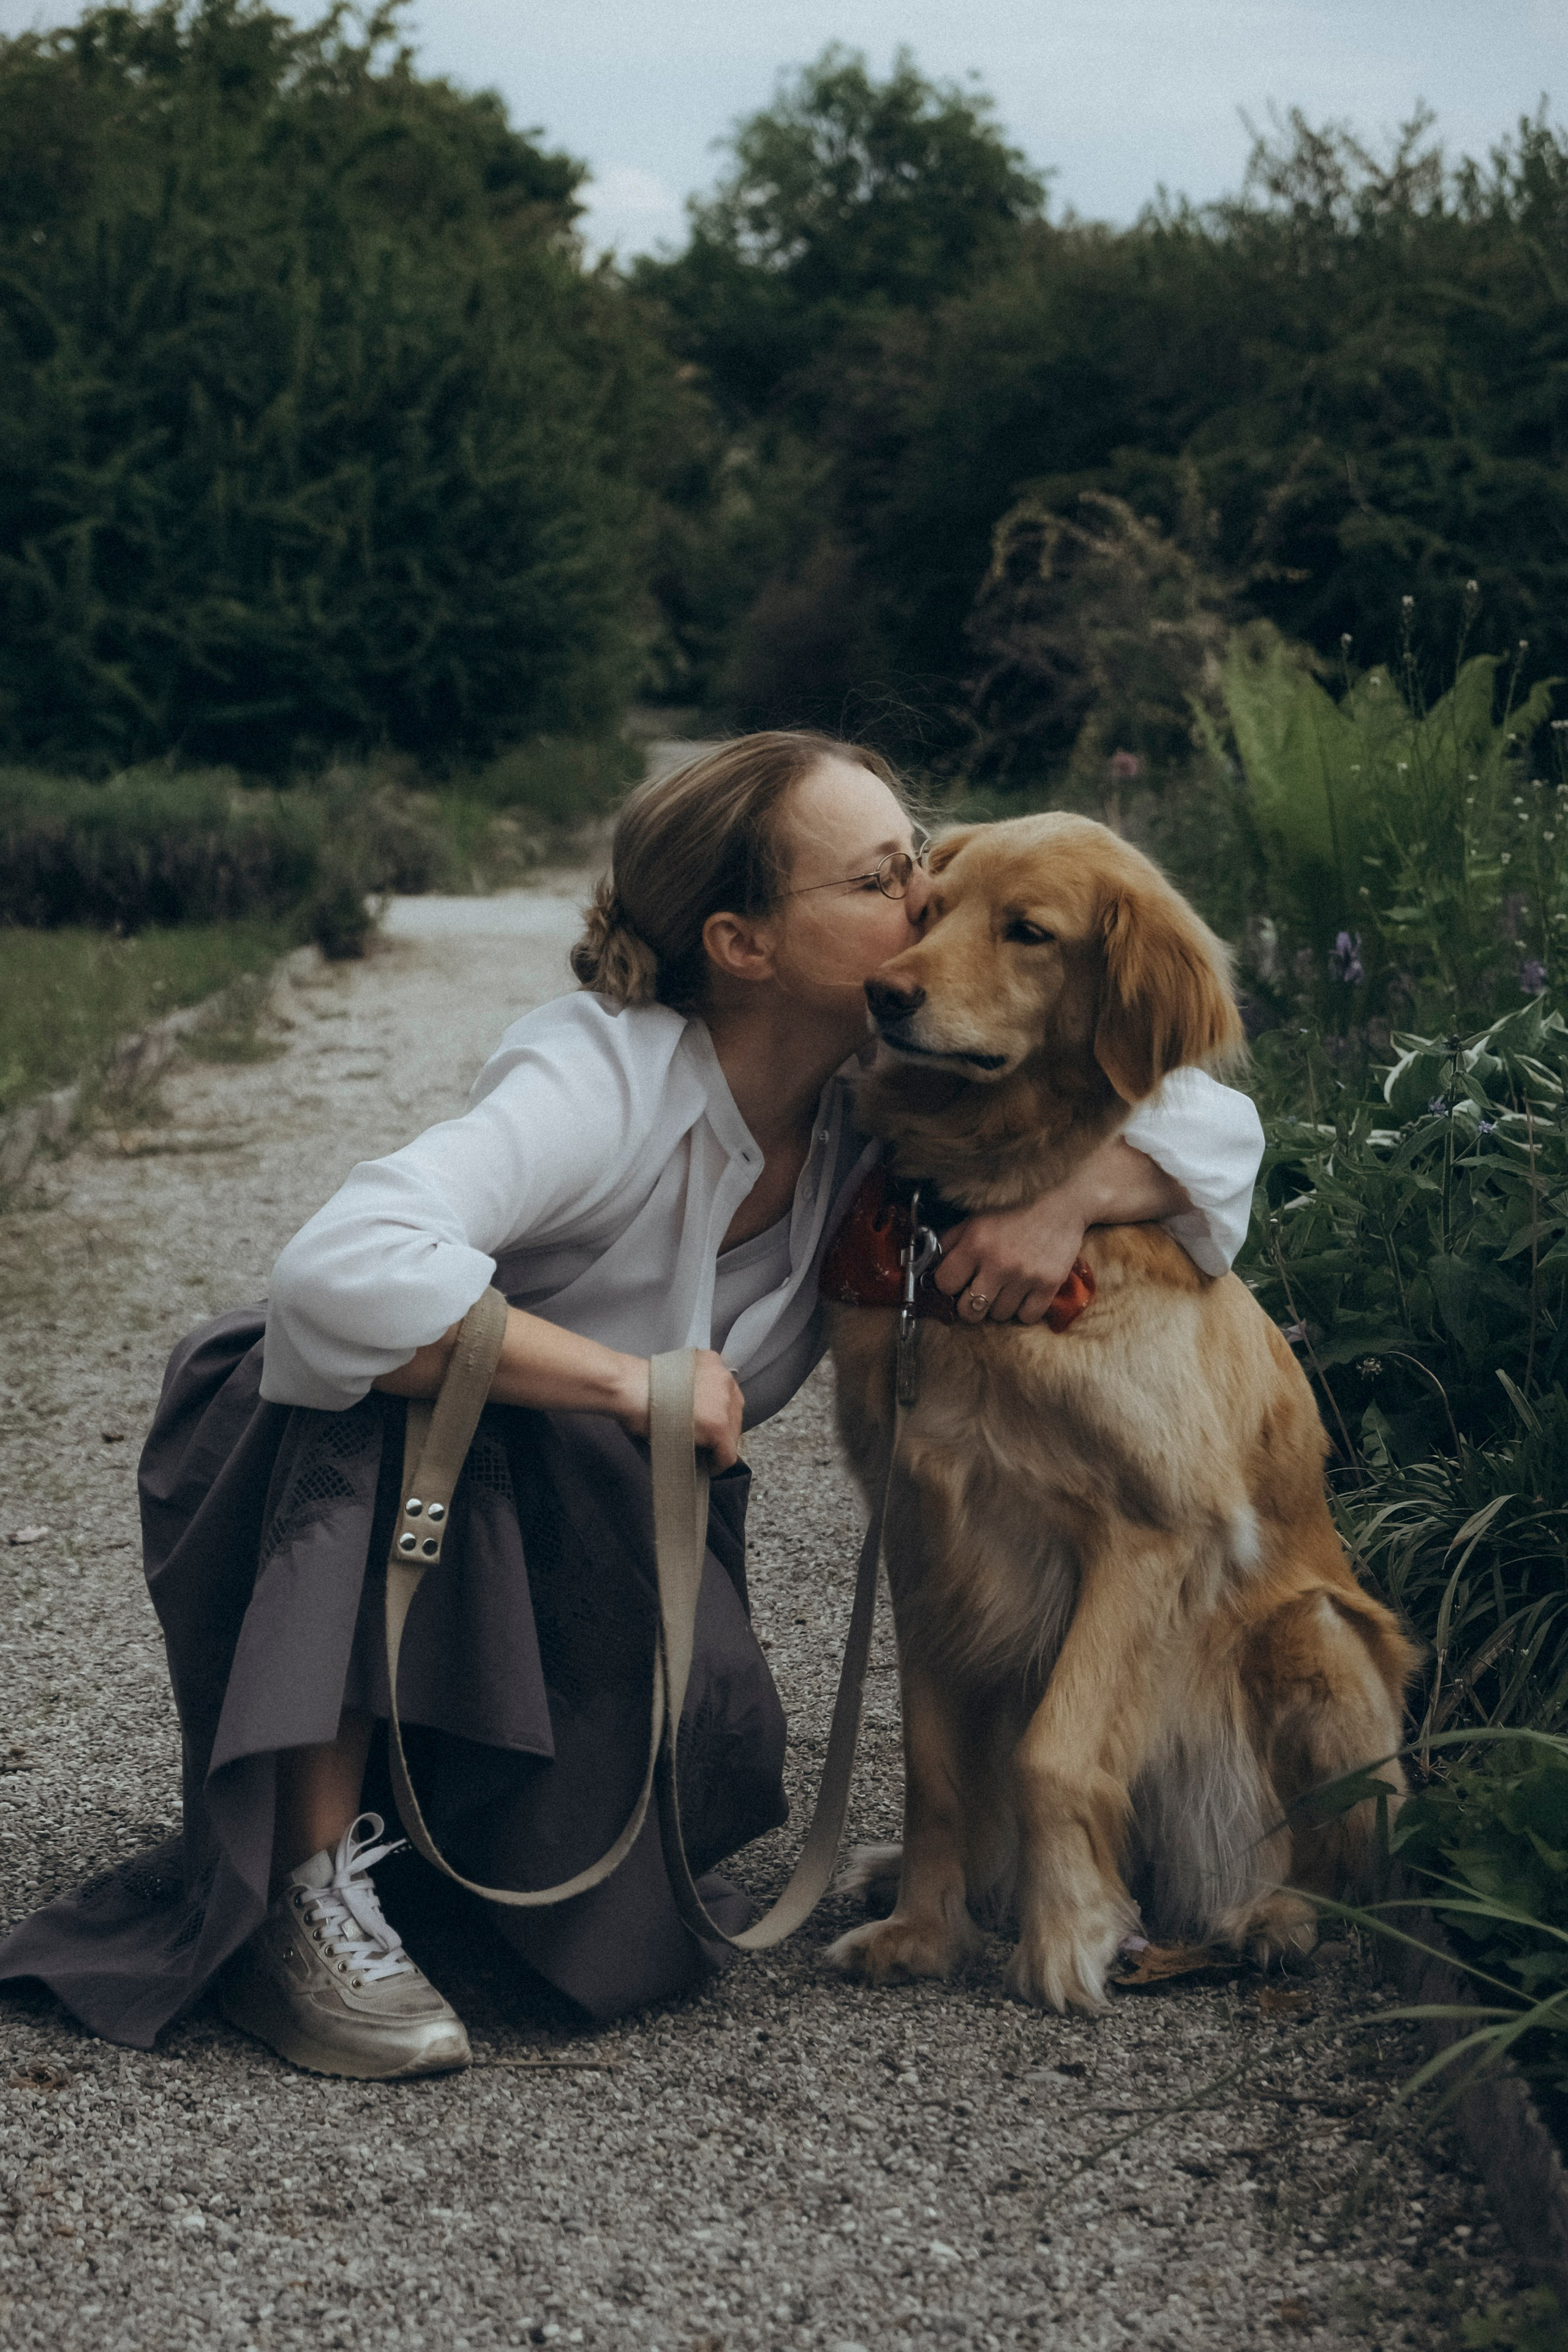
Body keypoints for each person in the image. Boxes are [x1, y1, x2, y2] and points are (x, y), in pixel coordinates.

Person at [0, 733, 1264, 2078]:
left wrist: (1076, 1200)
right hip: (364, 1475)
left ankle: (417, 1838)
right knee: (371, 1389)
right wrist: (622, 1380)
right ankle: (298, 1897)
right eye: (885, 883)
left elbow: (1210, 1124)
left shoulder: (871, 1098)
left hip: (573, 1519)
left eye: (922, 871)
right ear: (742, 944)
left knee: (621, 1912)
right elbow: (334, 1275)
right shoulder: (601, 1076)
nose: (927, 912)